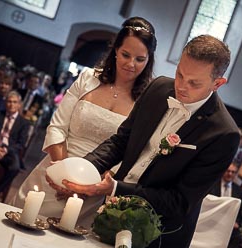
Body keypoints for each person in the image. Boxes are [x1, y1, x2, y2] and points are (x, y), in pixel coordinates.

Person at [50, 34, 240, 248]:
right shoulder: (158, 88)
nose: (181, 86)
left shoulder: (224, 134)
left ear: (218, 83)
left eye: (194, 83)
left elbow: (179, 202)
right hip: (109, 215)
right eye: (179, 74)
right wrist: (79, 171)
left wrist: (115, 188)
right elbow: (121, 141)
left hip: (157, 234)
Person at [12, 16, 157, 227]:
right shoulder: (88, 77)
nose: (131, 64)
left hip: (94, 189)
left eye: (140, 59)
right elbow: (58, 126)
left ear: (148, 59)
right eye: (126, 54)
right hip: (55, 169)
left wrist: (89, 187)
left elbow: (130, 152)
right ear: (116, 49)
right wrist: (63, 175)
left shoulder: (146, 101)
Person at [206, 163, 242, 247]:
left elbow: (240, 212)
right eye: (228, 171)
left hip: (230, 224)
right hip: (213, 219)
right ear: (223, 171)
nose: (230, 174)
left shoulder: (239, 190)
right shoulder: (213, 185)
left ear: (236, 174)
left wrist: (236, 222)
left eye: (233, 172)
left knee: (237, 236)